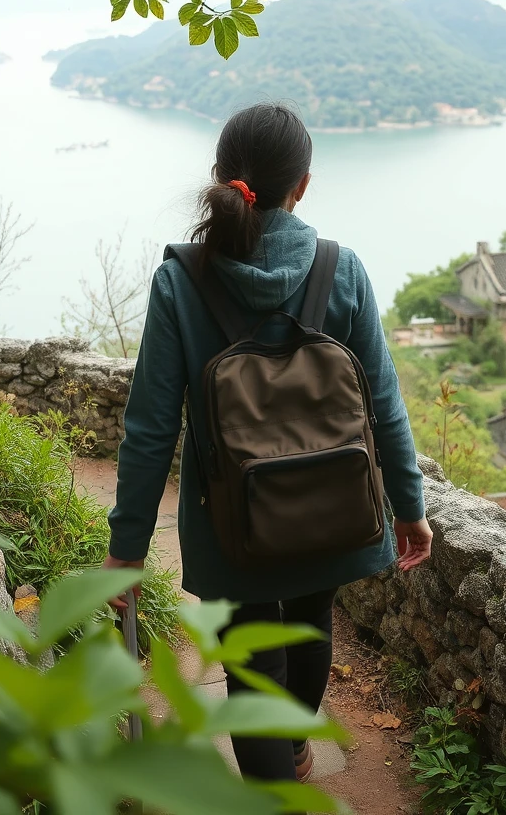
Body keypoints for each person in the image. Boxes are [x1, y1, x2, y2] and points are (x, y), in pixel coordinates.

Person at [104, 102, 432, 784]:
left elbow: (149, 430)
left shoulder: (180, 283)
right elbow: (384, 405)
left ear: (221, 177)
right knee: (311, 621)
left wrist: (127, 549)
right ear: (302, 186)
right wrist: (410, 506)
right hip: (330, 508)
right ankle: (294, 753)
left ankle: (271, 783)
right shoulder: (342, 271)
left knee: (251, 672)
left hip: (230, 523)